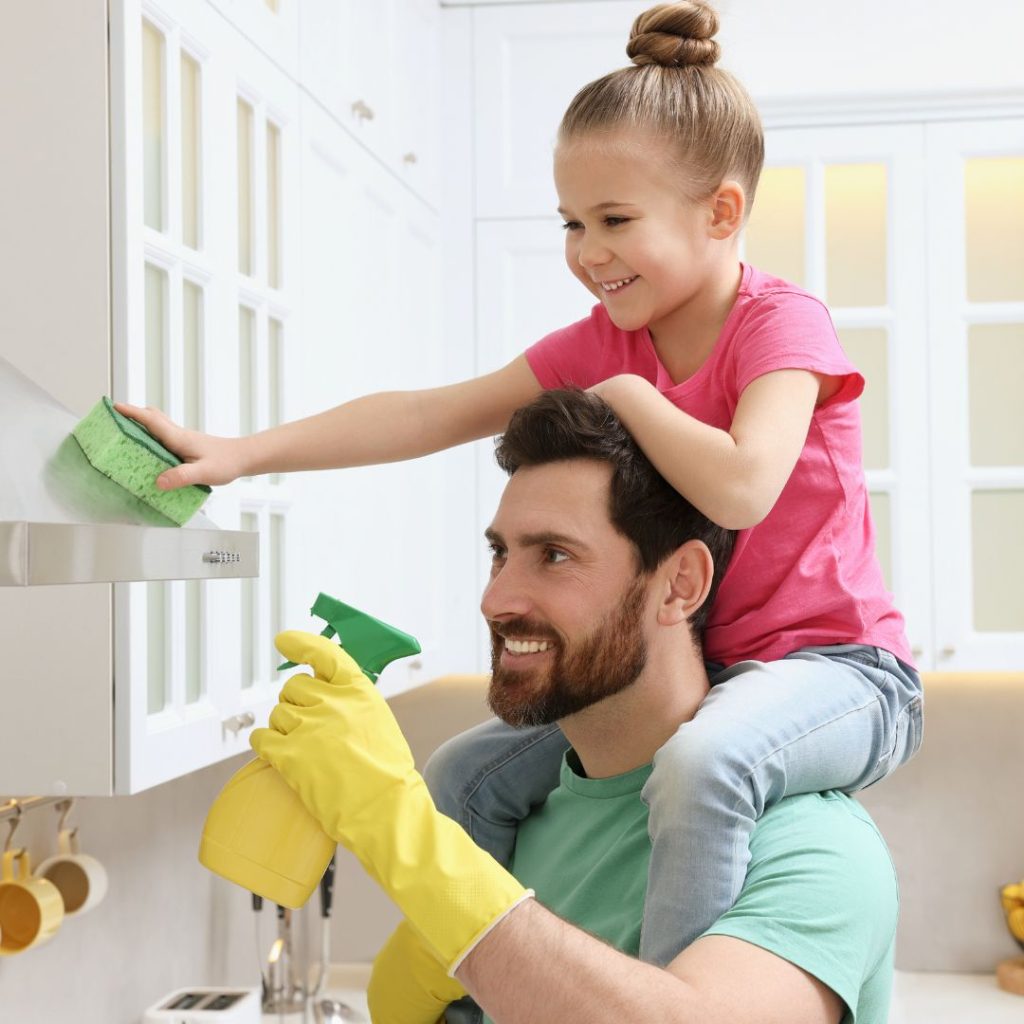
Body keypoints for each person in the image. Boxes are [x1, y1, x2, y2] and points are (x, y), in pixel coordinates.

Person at [119, 0, 921, 980]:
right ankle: (455, 993)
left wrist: (628, 396)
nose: (587, 252)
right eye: (572, 223)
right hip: (715, 675)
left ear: (721, 213)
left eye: (615, 221)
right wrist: (241, 453)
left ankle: (655, 999)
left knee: (706, 764)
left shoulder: (778, 325)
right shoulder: (604, 339)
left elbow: (747, 487)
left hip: (842, 672)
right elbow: (428, 413)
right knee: (463, 773)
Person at [251, 388, 900, 1024]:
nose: (496, 599)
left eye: (555, 555)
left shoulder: (811, 851)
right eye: (500, 553)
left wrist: (387, 816)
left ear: (680, 585)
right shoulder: (501, 817)